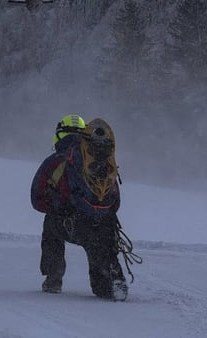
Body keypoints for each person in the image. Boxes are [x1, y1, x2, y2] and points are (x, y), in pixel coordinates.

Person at [30, 115, 128, 301]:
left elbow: (37, 199)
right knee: (101, 246)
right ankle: (111, 282)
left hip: (70, 223)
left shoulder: (55, 161)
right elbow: (115, 202)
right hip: (102, 223)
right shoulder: (101, 159)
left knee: (50, 225)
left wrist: (60, 208)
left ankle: (54, 279)